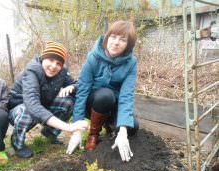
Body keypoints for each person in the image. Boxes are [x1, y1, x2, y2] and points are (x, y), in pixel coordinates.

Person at [67, 20, 139, 162]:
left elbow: (126, 96)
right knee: (106, 95)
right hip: (94, 102)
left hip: (114, 103)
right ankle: (94, 134)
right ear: (107, 38)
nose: (116, 42)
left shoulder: (131, 63)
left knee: (133, 127)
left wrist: (123, 130)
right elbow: (82, 92)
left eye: (122, 40)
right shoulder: (93, 57)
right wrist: (76, 131)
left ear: (128, 45)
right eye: (113, 37)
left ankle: (110, 125)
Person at [8, 41, 88, 158]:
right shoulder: (32, 72)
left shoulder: (62, 72)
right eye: (50, 60)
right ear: (43, 58)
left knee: (68, 102)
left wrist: (72, 86)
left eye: (58, 63)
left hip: (43, 105)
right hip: (19, 110)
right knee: (28, 111)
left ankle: (50, 132)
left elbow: (79, 84)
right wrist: (69, 127)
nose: (53, 66)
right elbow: (33, 106)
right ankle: (17, 143)